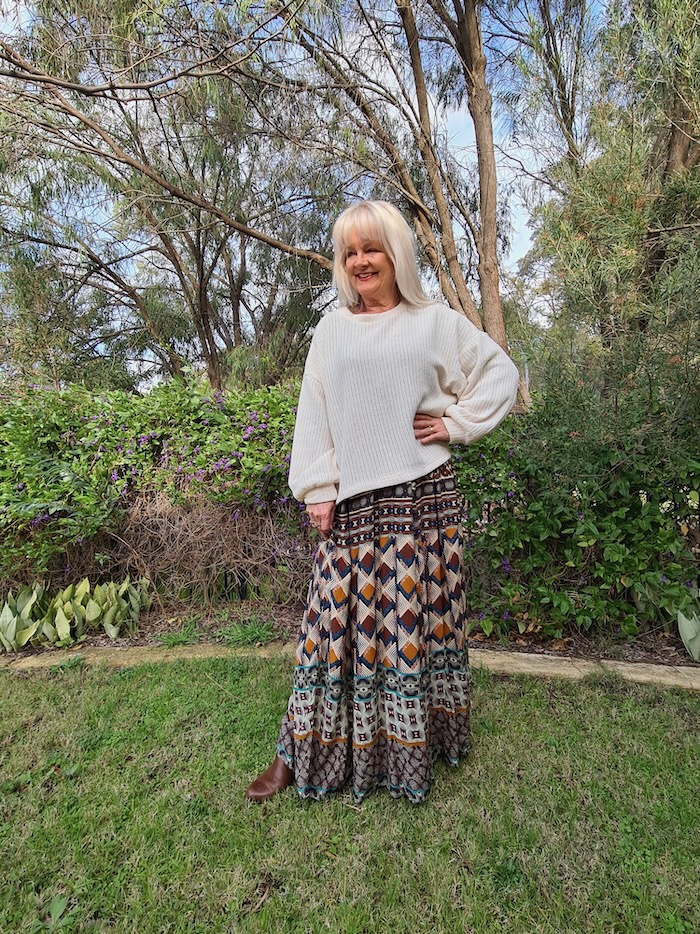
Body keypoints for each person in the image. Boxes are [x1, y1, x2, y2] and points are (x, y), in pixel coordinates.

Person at [246, 200, 519, 803]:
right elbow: (314, 410)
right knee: (327, 627)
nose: (362, 260)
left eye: (373, 248)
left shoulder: (434, 322)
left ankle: (413, 750)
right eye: (351, 252)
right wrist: (318, 487)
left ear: (396, 254)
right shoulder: (332, 328)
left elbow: (500, 373)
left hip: (424, 504)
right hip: (355, 506)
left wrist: (454, 421)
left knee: (415, 629)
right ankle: (299, 752)